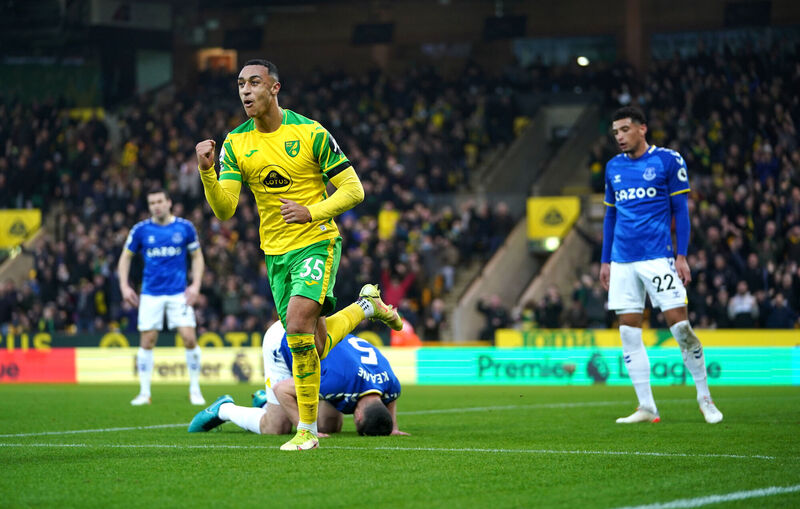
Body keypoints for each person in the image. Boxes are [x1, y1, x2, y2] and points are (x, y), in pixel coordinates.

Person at [194, 59, 402, 450]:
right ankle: (366, 307)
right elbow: (224, 209)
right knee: (315, 344)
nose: (245, 90)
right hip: (275, 253)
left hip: (317, 239)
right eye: (240, 84)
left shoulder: (310, 133)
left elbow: (354, 190)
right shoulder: (237, 143)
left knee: (297, 328)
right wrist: (207, 172)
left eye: (254, 82)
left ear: (274, 88)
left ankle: (306, 431)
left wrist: (312, 211)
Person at [600, 106, 723, 424]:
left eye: (625, 129)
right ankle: (646, 406)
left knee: (680, 328)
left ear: (642, 128)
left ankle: (704, 397)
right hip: (622, 260)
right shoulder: (613, 167)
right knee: (628, 332)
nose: (620, 137)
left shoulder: (668, 160)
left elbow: (681, 210)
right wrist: (605, 261)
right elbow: (611, 216)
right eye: (615, 132)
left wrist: (681, 256)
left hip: (658, 257)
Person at [188, 321, 408, 438]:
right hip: (286, 338)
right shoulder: (334, 383)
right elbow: (282, 389)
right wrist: (305, 430)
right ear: (358, 415)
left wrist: (393, 426)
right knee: (277, 427)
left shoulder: (390, 384)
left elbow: (392, 397)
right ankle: (224, 409)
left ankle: (266, 403)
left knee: (329, 426)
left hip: (321, 348)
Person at [117, 189, 206, 406]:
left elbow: (197, 257)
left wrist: (195, 285)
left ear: (169, 202)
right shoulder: (140, 230)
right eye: (151, 202)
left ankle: (195, 389)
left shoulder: (185, 227)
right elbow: (125, 258)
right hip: (151, 293)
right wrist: (124, 286)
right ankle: (144, 393)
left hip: (179, 293)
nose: (156, 206)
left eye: (159, 201)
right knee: (147, 341)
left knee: (189, 338)